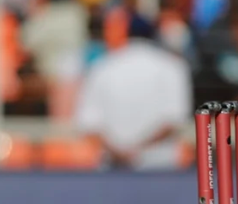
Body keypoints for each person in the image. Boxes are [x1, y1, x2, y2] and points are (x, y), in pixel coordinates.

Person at [74, 14, 193, 170]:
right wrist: (137, 151)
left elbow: (89, 123)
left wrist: (121, 153)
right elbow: (175, 120)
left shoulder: (102, 67)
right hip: (160, 168)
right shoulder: (173, 67)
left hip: (116, 166)